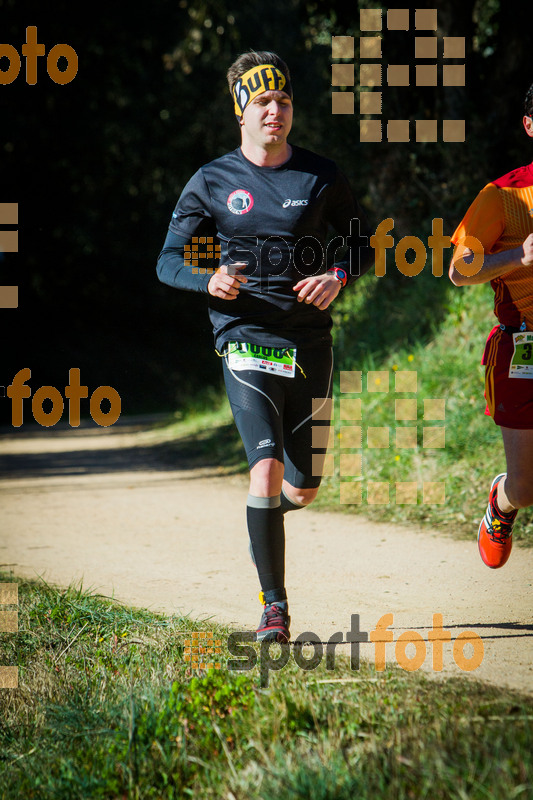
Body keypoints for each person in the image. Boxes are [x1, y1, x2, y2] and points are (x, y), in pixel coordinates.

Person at [157, 50, 372, 641]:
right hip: (244, 339)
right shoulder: (212, 180)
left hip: (309, 342)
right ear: (240, 113)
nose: (274, 112)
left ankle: (263, 524)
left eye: (283, 101)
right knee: (268, 468)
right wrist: (210, 279)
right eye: (262, 103)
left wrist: (339, 276)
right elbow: (167, 261)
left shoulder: (322, 176)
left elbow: (362, 244)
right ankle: (274, 608)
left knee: (301, 490)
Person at [449, 82, 533, 569]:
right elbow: (460, 270)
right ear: (528, 127)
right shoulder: (502, 195)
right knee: (528, 486)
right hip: (522, 346)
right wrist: (516, 256)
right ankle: (503, 499)